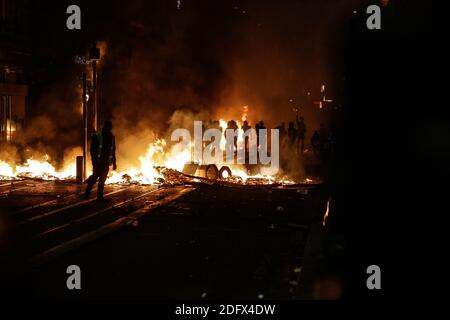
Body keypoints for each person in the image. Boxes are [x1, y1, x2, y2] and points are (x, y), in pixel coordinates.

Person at [83, 120, 117, 201]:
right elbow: (92, 150)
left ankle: (100, 196)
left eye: (109, 128)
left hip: (105, 163)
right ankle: (86, 194)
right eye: (107, 127)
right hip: (98, 162)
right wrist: (94, 161)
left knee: (102, 180)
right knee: (94, 178)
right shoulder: (97, 136)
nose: (108, 129)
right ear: (104, 127)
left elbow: (113, 150)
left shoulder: (111, 137)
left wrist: (114, 162)